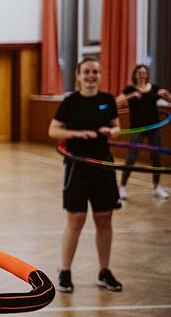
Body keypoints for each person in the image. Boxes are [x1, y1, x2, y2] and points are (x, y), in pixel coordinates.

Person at [48, 58, 122, 294]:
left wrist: (112, 131)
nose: (91, 75)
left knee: (104, 218)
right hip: (77, 166)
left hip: (103, 166)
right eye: (87, 72)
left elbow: (117, 128)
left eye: (96, 72)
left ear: (100, 76)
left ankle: (104, 271)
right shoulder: (71, 102)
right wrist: (78, 134)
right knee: (76, 218)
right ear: (78, 76)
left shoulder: (106, 101)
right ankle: (65, 271)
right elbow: (53, 131)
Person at [115, 64, 171, 200]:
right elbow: (116, 104)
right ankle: (122, 188)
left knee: (156, 157)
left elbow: (169, 99)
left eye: (144, 73)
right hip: (137, 129)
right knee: (131, 157)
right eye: (139, 73)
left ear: (147, 75)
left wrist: (166, 95)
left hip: (154, 128)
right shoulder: (129, 89)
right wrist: (130, 96)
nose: (141, 75)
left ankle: (156, 187)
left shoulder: (154, 88)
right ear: (135, 75)